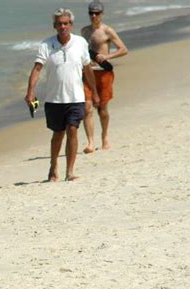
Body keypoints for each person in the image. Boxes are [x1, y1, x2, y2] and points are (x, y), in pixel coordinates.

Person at [25, 8, 100, 182]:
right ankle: (53, 166)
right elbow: (37, 68)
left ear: (71, 25)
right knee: (58, 134)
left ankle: (70, 171)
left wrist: (94, 92)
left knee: (73, 130)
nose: (63, 26)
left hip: (76, 98)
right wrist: (30, 92)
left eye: (66, 23)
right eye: (59, 24)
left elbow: (88, 69)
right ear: (54, 26)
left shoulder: (80, 43)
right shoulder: (46, 44)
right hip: (53, 99)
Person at [81, 1, 128, 152]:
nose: (93, 16)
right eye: (91, 13)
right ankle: (90, 142)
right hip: (88, 72)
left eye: (97, 13)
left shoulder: (107, 31)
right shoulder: (84, 31)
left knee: (102, 108)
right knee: (87, 107)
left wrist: (108, 56)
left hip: (103, 72)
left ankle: (105, 136)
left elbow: (123, 49)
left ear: (102, 14)